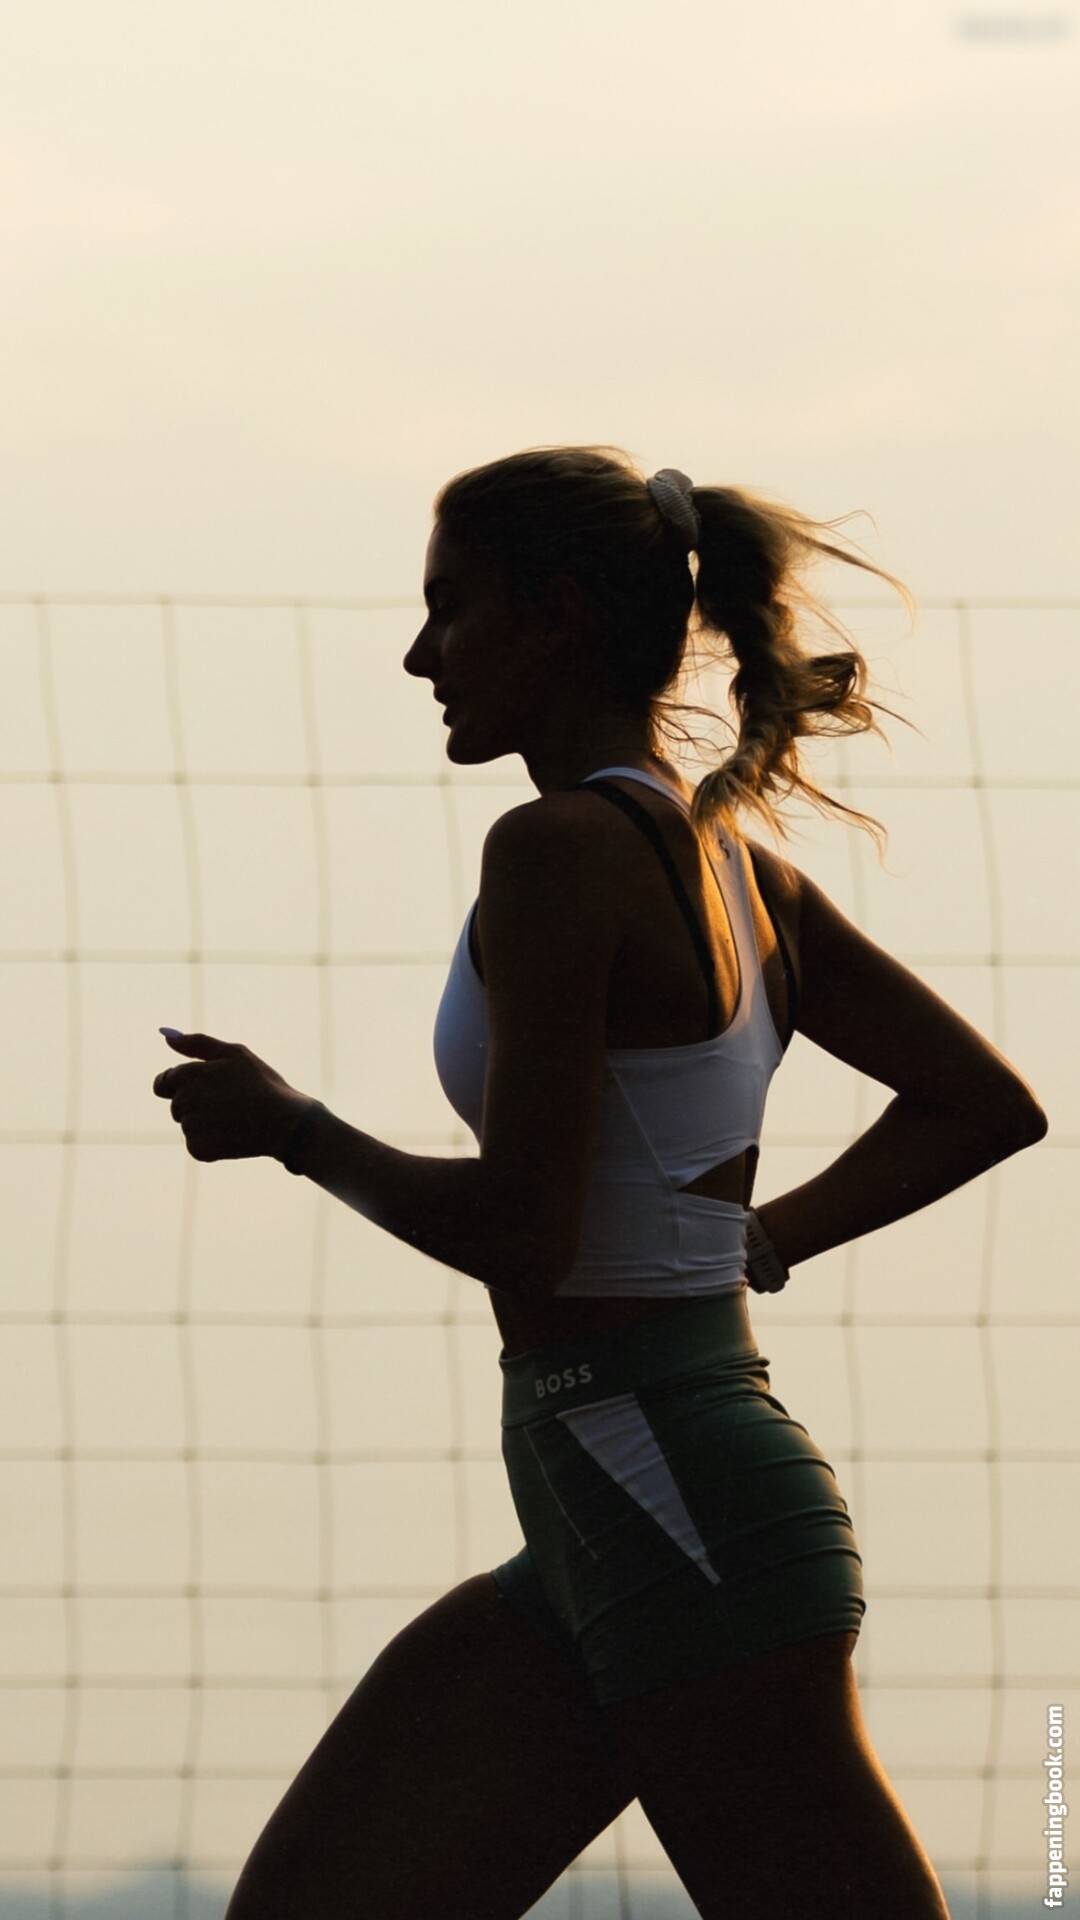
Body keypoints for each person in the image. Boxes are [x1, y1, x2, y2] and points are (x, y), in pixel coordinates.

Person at [153, 446, 1046, 1920]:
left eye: (451, 608)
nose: (421, 656)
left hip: (676, 1503)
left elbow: (527, 1235)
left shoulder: (560, 850)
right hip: (607, 1509)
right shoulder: (744, 870)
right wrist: (752, 1240)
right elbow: (982, 1104)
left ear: (557, 614)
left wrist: (296, 1129)